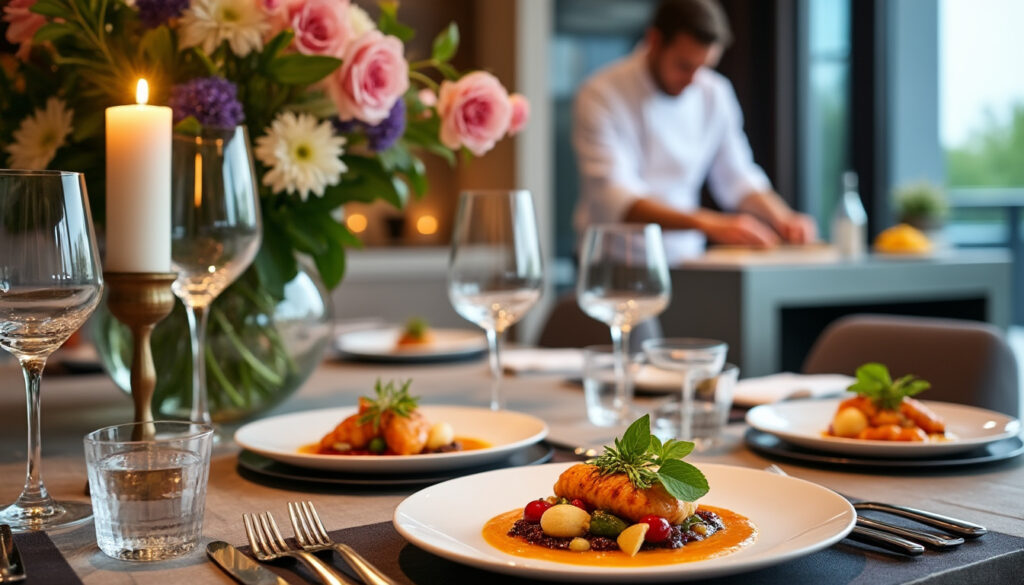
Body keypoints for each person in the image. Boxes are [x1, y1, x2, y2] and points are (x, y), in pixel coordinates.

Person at [573, 0, 817, 262]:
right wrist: (711, 224)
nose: (693, 80)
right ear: (654, 42)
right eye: (684, 66)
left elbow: (737, 176)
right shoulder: (600, 94)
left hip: (687, 259)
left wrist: (782, 218)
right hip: (614, 261)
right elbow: (616, 197)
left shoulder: (715, 93)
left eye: (704, 67)